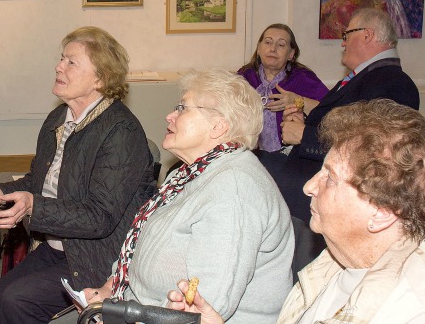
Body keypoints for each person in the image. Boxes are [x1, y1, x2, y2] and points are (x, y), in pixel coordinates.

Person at [0, 26, 157, 324]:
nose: (58, 66)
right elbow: (37, 182)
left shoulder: (120, 131)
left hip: (99, 255)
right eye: (62, 59)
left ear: (100, 78)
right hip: (59, 246)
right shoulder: (59, 118)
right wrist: (1, 193)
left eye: (71, 62)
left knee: (16, 301)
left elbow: (99, 218)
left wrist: (34, 206)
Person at [168, 98, 425, 323]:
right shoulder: (335, 264)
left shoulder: (405, 309)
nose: (309, 186)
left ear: (381, 212)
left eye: (331, 178)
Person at [79, 68, 294, 324]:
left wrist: (121, 316)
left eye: (182, 108)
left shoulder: (234, 189)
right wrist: (109, 289)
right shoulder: (187, 174)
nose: (170, 115)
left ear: (218, 126)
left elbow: (208, 306)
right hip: (139, 309)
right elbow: (138, 250)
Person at [277, 8, 420, 271]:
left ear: (367, 35)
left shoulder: (394, 83)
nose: (342, 42)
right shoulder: (367, 77)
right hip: (308, 194)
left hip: (325, 203)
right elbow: (343, 124)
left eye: (347, 34)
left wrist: (303, 136)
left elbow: (374, 152)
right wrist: (305, 119)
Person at [237, 23, 328, 154]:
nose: (273, 49)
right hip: (249, 152)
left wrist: (298, 101)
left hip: (288, 154)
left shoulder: (302, 77)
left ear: (291, 54)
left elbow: (331, 111)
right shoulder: (245, 75)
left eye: (281, 45)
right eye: (268, 42)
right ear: (258, 49)